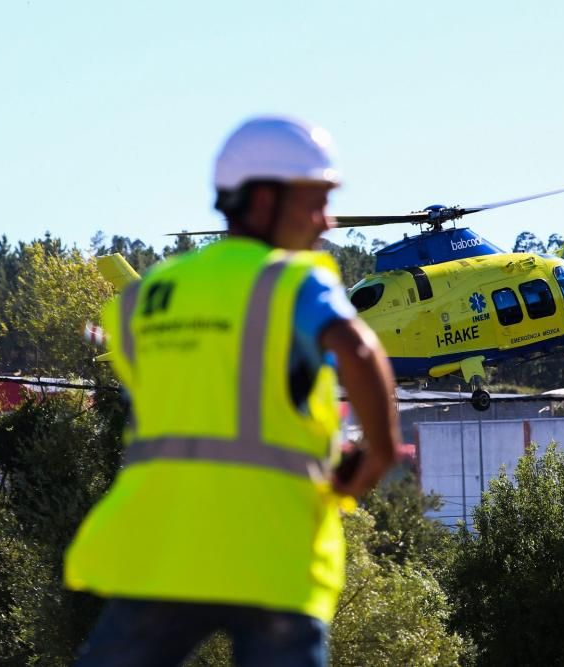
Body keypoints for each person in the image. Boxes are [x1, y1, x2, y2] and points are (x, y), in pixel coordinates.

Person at [65, 116, 400, 666]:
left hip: (162, 553)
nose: (327, 220)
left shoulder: (150, 293)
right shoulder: (292, 279)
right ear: (262, 200)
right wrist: (379, 454)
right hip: (274, 554)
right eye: (314, 202)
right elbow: (360, 351)